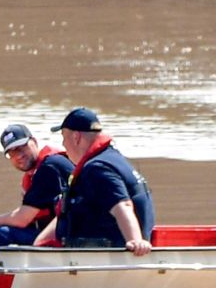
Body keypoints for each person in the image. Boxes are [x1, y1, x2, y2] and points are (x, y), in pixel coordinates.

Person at [40, 107, 154, 256]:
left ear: (76, 137)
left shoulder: (97, 169)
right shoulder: (113, 159)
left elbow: (123, 205)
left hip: (99, 258)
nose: (63, 144)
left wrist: (135, 241)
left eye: (64, 137)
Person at [0, 124, 74, 247]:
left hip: (73, 236)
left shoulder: (50, 167)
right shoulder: (37, 173)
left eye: (21, 147)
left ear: (34, 142)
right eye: (12, 153)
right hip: (64, 232)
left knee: (0, 234)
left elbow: (21, 219)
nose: (18, 156)